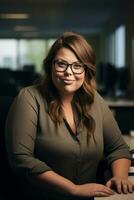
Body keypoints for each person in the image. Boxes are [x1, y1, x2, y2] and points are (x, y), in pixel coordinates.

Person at [5, 31, 134, 200]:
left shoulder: (94, 100)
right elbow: (22, 160)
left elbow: (118, 148)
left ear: (86, 70)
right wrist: (74, 189)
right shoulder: (29, 98)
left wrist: (120, 177)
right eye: (61, 64)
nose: (69, 72)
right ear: (50, 65)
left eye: (77, 65)